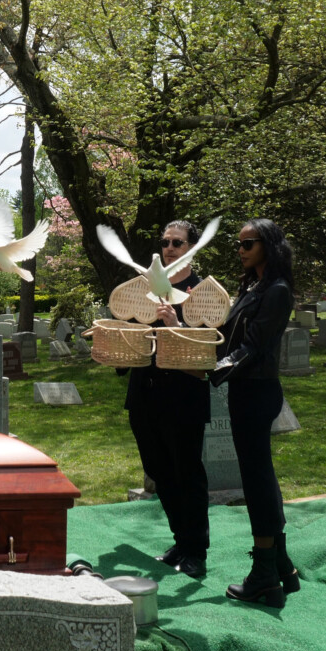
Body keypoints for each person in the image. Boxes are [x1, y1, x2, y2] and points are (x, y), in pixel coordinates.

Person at [210, 218, 299, 606]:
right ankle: (282, 567)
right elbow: (231, 338)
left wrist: (210, 371)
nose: (241, 250)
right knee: (261, 476)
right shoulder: (253, 287)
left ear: (269, 246)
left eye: (249, 243)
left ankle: (264, 575)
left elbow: (252, 347)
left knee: (257, 480)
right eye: (239, 244)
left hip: (258, 392)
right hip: (245, 391)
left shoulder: (277, 291)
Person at [122, 220, 212, 577]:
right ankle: (180, 540)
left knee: (187, 473)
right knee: (159, 471)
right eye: (165, 242)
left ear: (190, 249)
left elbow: (209, 352)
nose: (170, 248)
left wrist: (175, 326)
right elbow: (129, 337)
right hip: (144, 395)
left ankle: (197, 551)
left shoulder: (204, 293)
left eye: (178, 242)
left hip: (183, 398)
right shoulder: (144, 289)